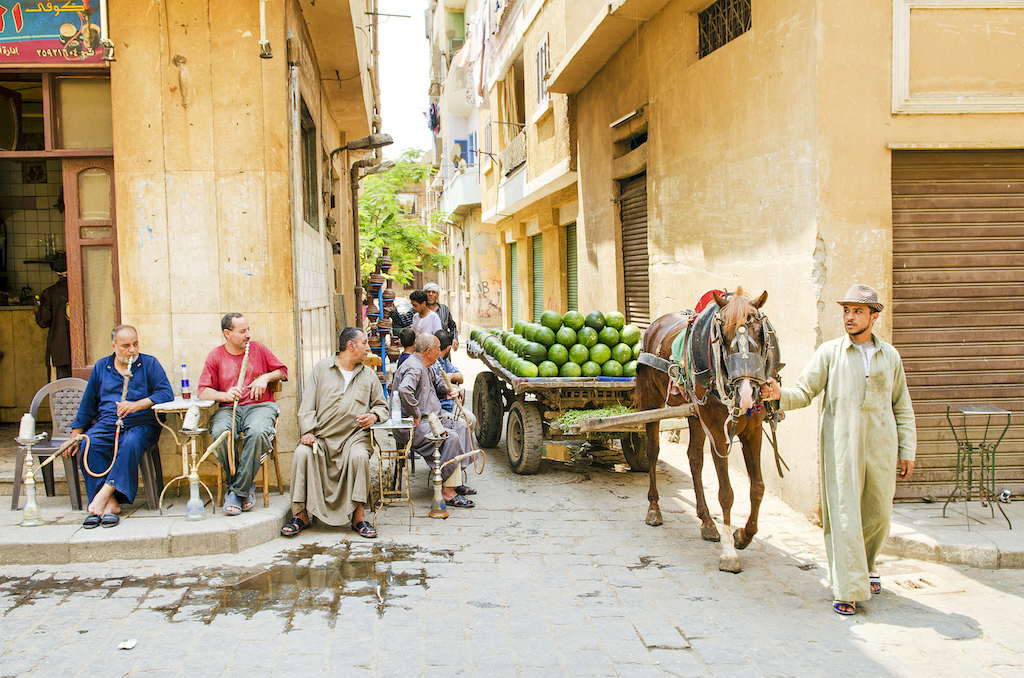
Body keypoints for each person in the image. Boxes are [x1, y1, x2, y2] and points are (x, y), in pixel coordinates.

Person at [762, 284, 916, 616]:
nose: (849, 317)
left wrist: (908, 449)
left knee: (878, 514)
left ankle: (869, 564)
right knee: (845, 515)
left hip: (882, 446)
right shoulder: (830, 352)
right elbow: (804, 391)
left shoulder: (890, 356)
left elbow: (902, 406)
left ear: (873, 316)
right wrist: (778, 394)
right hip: (842, 446)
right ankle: (846, 588)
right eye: (846, 310)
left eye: (857, 311)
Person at [283, 327, 389, 539]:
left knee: (359, 457)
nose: (368, 348)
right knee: (301, 454)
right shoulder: (322, 368)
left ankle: (358, 516)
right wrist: (309, 431)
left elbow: (382, 407)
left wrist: (374, 417)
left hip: (354, 438)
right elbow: (307, 405)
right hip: (322, 437)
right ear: (351, 346)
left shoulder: (368, 374)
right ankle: (301, 515)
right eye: (364, 343)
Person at [65, 325, 173, 527]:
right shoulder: (101, 367)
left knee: (131, 442)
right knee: (90, 443)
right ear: (114, 346)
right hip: (108, 424)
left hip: (142, 424)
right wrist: (75, 435)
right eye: (125, 346)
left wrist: (137, 405)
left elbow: (166, 393)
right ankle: (111, 504)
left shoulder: (149, 363)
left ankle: (103, 494)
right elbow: (88, 404)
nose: (132, 350)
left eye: (135, 344)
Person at [198, 313, 288, 516]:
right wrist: (224, 394)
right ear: (227, 334)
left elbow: (283, 371)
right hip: (229, 408)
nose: (248, 334)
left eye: (248, 329)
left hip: (260, 407)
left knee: (257, 432)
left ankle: (236, 492)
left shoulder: (258, 348)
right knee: (220, 432)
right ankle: (244, 489)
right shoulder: (215, 356)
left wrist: (265, 377)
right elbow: (203, 391)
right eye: (242, 331)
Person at [392, 333, 478, 506]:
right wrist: (415, 412)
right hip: (413, 425)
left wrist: (448, 387)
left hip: (431, 419)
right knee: (450, 437)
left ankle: (454, 481)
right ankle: (447, 491)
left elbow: (437, 382)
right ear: (429, 351)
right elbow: (404, 389)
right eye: (438, 349)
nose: (440, 352)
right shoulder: (414, 367)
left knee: (462, 428)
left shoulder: (427, 365)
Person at [34, 254, 71, 380]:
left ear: (56, 272)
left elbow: (43, 321)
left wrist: (37, 311)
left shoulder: (50, 293)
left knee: (60, 389)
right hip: (84, 351)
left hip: (59, 349)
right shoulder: (82, 289)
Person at [424, 282, 458, 352]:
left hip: (442, 349)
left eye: (433, 292)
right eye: (428, 292)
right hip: (425, 350)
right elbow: (402, 320)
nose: (430, 294)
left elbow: (452, 326)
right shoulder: (420, 309)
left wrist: (455, 338)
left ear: (437, 295)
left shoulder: (444, 309)